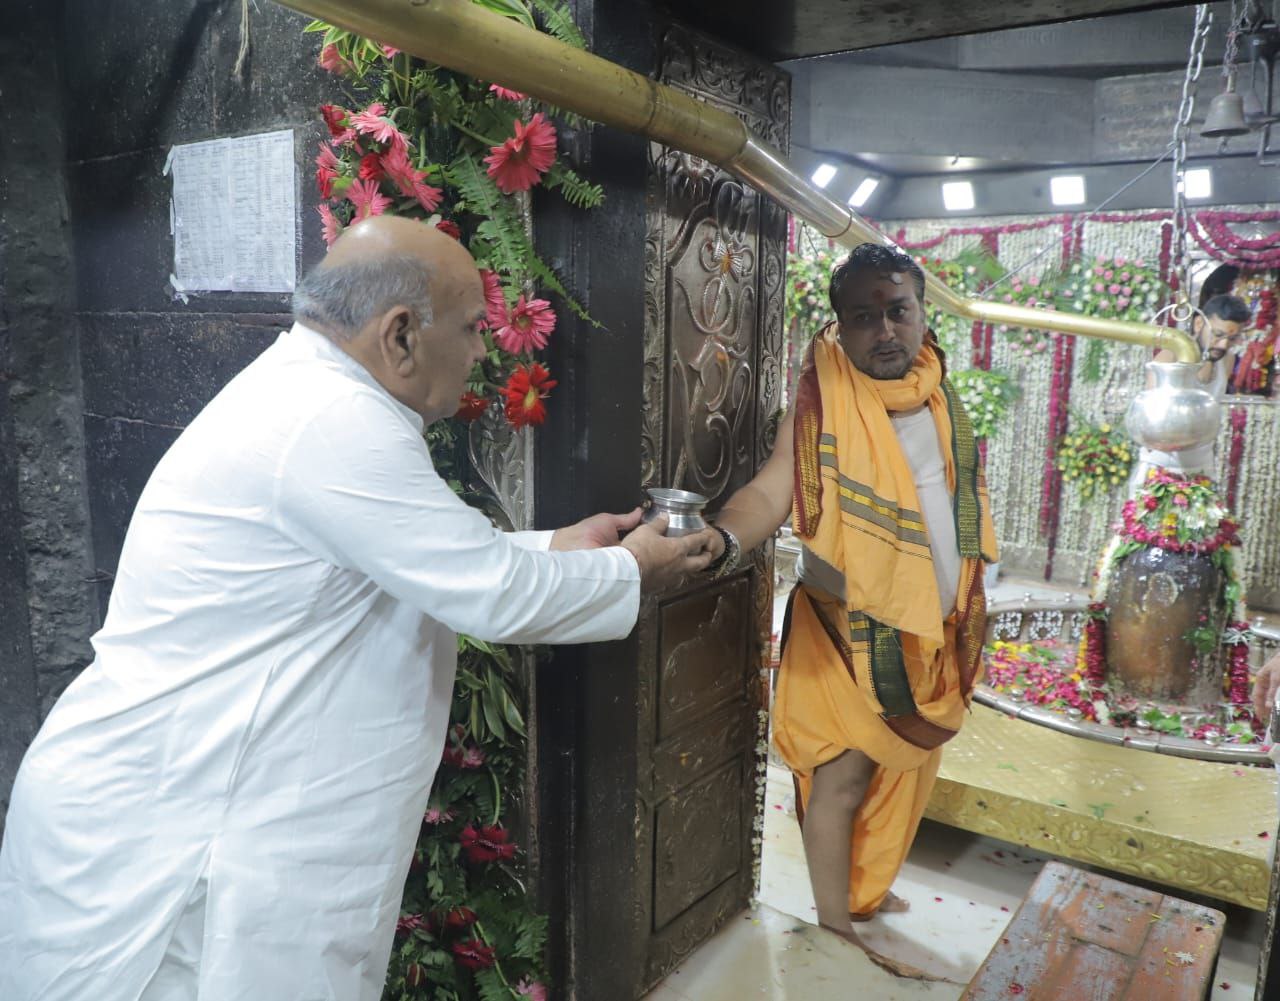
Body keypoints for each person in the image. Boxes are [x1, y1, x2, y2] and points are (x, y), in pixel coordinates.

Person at [0, 216, 716, 1001]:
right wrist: (635, 567)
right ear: (401, 334)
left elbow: (430, 561)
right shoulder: (332, 421)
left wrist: (563, 545)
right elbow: (490, 594)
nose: (484, 354)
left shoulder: (319, 394)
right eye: (475, 329)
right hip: (182, 831)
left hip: (204, 802)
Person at [702, 243, 997, 960]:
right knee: (842, 774)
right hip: (847, 632)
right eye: (864, 317)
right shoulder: (821, 403)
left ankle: (862, 886)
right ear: (840, 326)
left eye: (898, 310)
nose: (885, 330)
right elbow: (775, 490)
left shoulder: (939, 393)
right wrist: (719, 540)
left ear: (924, 314)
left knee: (900, 767)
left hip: (932, 627)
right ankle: (834, 920)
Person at [1127, 293, 1253, 496]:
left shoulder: (1226, 360)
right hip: (1161, 464)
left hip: (1202, 463)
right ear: (1198, 325)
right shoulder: (1170, 358)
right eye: (1218, 335)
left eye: (1232, 338)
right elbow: (1149, 417)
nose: (1223, 345)